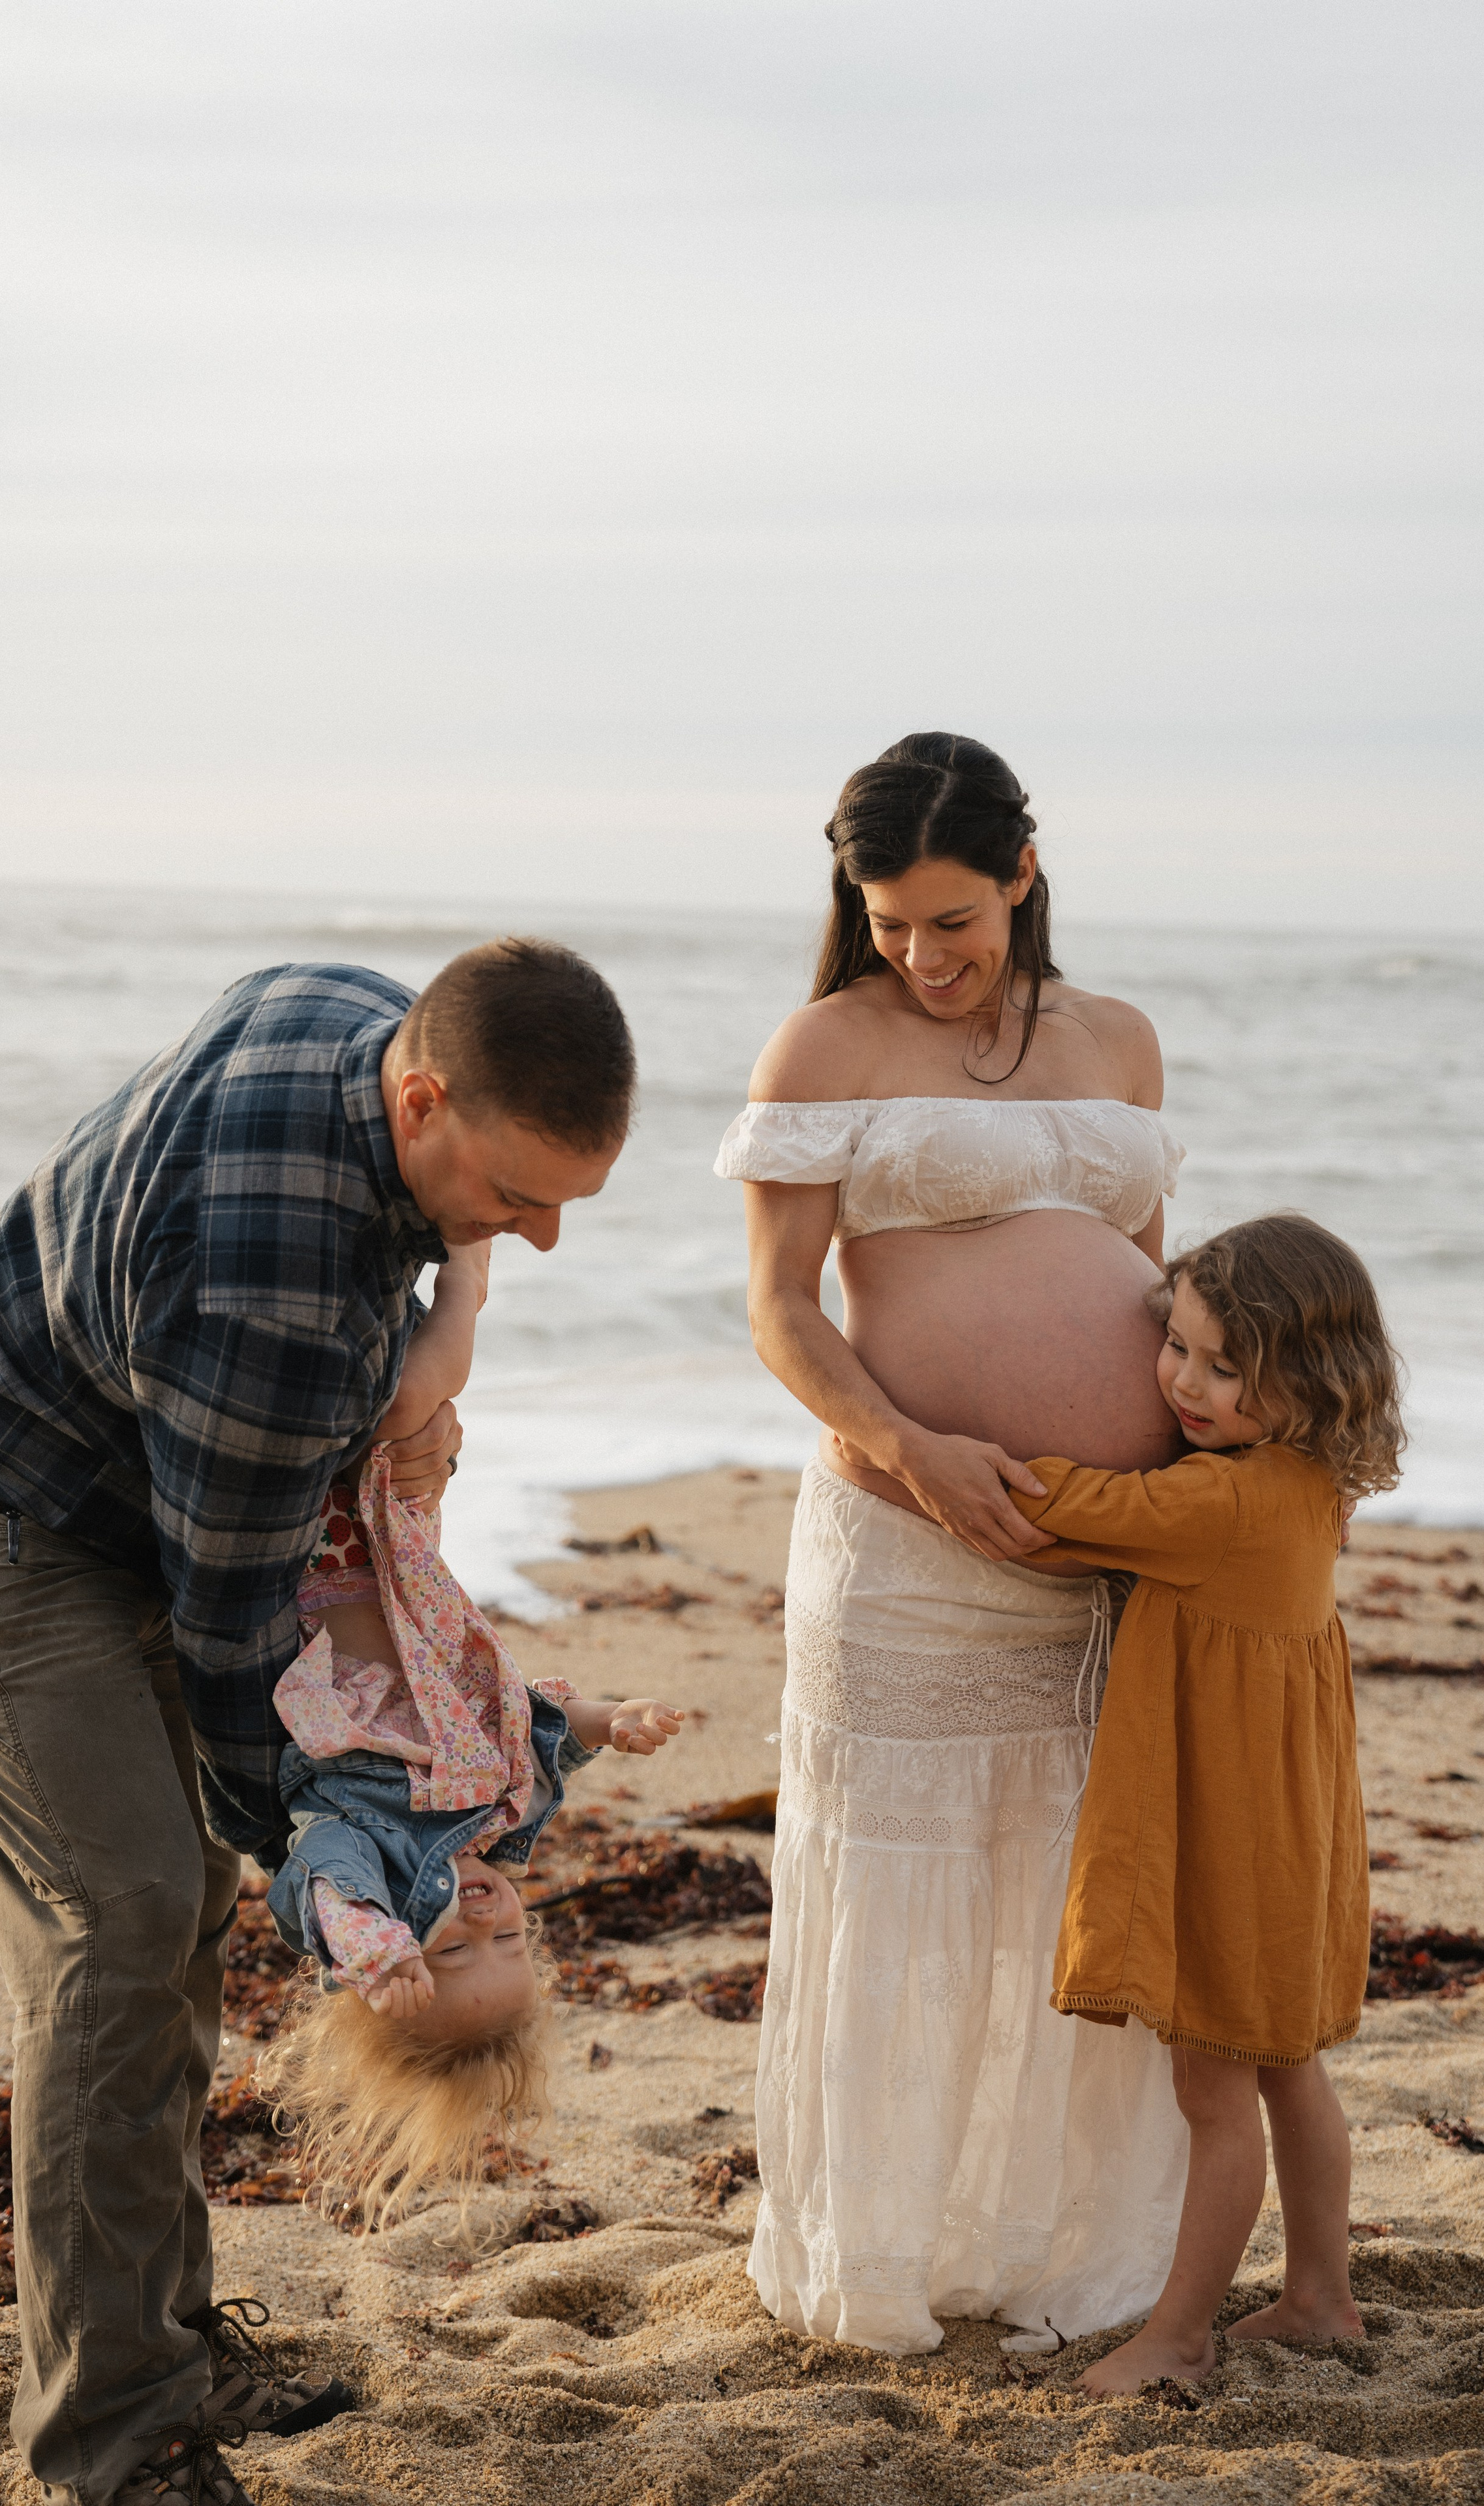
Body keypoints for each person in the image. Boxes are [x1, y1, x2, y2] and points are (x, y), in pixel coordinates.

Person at [0, 939, 635, 2506]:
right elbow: (233, 1633)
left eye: (566, 1203)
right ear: (418, 1097)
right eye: (515, 1194)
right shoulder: (267, 1281)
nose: (532, 1238)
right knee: (127, 1926)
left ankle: (163, 2349)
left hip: (104, 1507)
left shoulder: (336, 1008)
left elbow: (280, 1497)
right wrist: (340, 1850)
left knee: (167, 1910)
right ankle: (111, 2446)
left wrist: (397, 1411)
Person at [715, 732, 1190, 2355]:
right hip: (907, 1543)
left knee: (1070, 1888)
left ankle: (1057, 2250)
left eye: (953, 921)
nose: (922, 956)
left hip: (1099, 1557)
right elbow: (780, 1312)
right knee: (904, 1892)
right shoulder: (823, 1047)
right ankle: (881, 2260)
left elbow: (1156, 1291)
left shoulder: (1120, 1041)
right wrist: (911, 1454)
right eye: (890, 920)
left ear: (1022, 880)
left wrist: (1203, 1488)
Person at [993, 1213, 1399, 2394]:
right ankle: (1321, 2293)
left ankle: (1175, 2337)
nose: (1186, 1382)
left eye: (1227, 1368)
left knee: (1215, 2090)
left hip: (1230, 1831)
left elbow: (1065, 1504)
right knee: (1289, 2068)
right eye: (1178, 1346)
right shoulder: (1307, 1479)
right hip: (1294, 1823)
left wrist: (934, 1446)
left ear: (1309, 1380)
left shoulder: (1215, 1508)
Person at [253, 1230, 683, 2225]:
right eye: (513, 1947)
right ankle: (466, 1273)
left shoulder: (359, 1858)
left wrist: (372, 1949)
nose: (489, 1921)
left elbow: (324, 1889)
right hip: (401, 1551)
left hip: (311, 1570)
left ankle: (400, 1265)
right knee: (416, 1404)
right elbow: (536, 1729)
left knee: (369, 1383)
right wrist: (610, 1721)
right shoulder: (499, 1827)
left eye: (453, 1952)